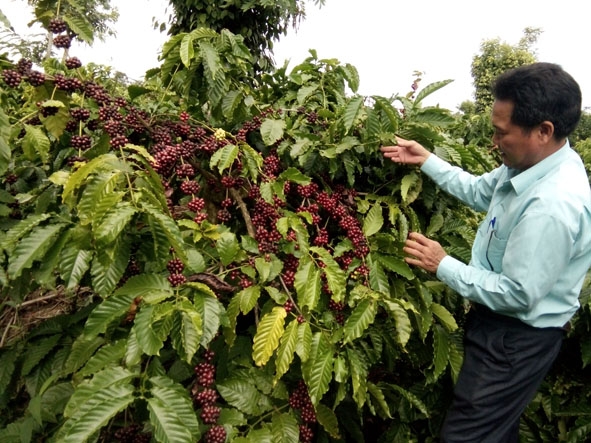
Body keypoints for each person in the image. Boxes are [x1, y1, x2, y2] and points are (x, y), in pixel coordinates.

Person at [380, 62, 591, 442]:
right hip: (500, 325)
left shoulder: (553, 205)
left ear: (543, 131)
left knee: (468, 436)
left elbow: (518, 294)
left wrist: (442, 264)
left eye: (500, 133)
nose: (493, 143)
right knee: (494, 431)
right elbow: (480, 191)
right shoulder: (529, 163)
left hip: (516, 339)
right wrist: (427, 159)